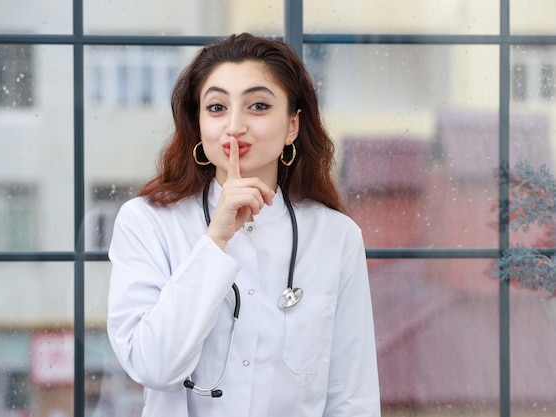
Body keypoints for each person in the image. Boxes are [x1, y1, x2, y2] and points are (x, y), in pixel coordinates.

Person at [107, 33, 380, 417]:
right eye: (217, 107)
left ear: (292, 126)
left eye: (258, 105)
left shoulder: (337, 237)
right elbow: (152, 365)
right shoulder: (148, 222)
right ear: (198, 126)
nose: (234, 126)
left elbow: (352, 396)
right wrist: (215, 238)